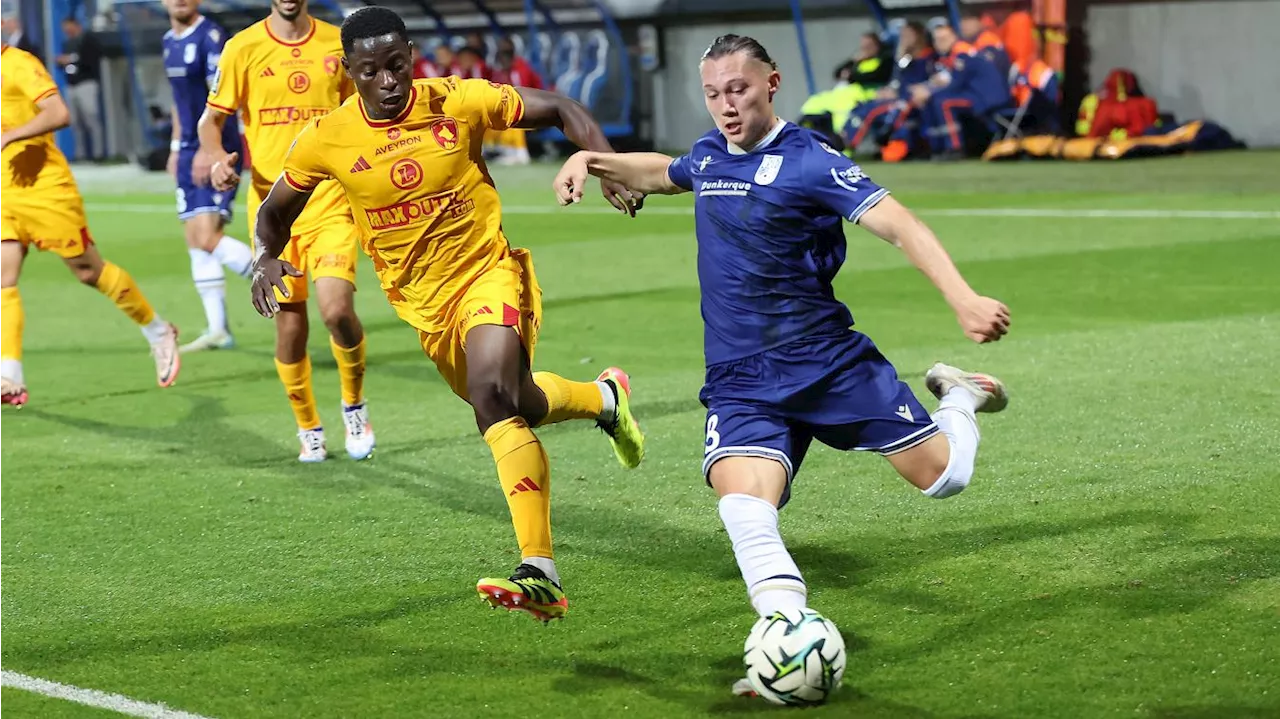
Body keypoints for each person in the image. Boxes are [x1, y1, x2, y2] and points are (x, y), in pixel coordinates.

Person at [552, 34, 1010, 693]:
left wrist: (963, 298)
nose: (725, 106)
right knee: (742, 505)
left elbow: (901, 225)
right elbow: (663, 171)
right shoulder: (711, 155)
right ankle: (787, 637)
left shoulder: (811, 162)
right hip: (742, 381)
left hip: (828, 364)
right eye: (712, 94)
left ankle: (959, 397)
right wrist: (591, 160)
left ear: (772, 83)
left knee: (945, 479)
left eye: (737, 89)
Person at [249, 7, 646, 622]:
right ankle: (604, 400)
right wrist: (266, 258)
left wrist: (607, 165)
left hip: (489, 273)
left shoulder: (459, 101)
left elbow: (564, 109)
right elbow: (274, 213)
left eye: (397, 65)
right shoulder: (327, 137)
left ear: (411, 56)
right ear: (347, 70)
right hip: (424, 307)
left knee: (492, 396)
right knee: (517, 402)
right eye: (370, 71)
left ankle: (539, 568)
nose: (388, 82)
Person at [197, 0, 375, 463]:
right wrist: (216, 157)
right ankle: (309, 428)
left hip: (330, 199)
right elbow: (211, 120)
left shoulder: (339, 41)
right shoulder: (243, 47)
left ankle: (355, 406)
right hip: (274, 212)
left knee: (337, 311)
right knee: (290, 325)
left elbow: (362, 110)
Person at [0, 40, 182, 408]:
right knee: (3, 278)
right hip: (4, 193)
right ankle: (10, 375)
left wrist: (9, 136)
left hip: (45, 189)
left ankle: (158, 330)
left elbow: (57, 112)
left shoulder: (18, 63)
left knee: (88, 271)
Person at [162, 0, 254, 352]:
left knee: (206, 236)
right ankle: (218, 329)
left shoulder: (212, 37)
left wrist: (207, 149)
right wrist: (175, 148)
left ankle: (276, 280)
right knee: (194, 238)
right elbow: (177, 100)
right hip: (186, 150)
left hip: (214, 146)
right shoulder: (169, 39)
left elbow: (221, 101)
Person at [910, 22, 1011, 159]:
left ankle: (954, 148)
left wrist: (929, 92)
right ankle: (935, 147)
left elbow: (956, 84)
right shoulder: (948, 55)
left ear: (954, 37)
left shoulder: (962, 52)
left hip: (986, 97)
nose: (939, 43)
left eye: (943, 39)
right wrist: (927, 89)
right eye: (936, 40)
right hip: (974, 94)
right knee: (933, 100)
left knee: (943, 102)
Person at [55, 17, 104, 161]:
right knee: (75, 122)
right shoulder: (67, 43)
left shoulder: (88, 39)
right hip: (71, 85)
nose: (67, 31)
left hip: (87, 83)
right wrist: (61, 62)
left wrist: (72, 59)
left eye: (69, 27)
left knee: (91, 119)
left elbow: (92, 58)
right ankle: (80, 154)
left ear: (76, 25)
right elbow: (64, 63)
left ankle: (98, 153)